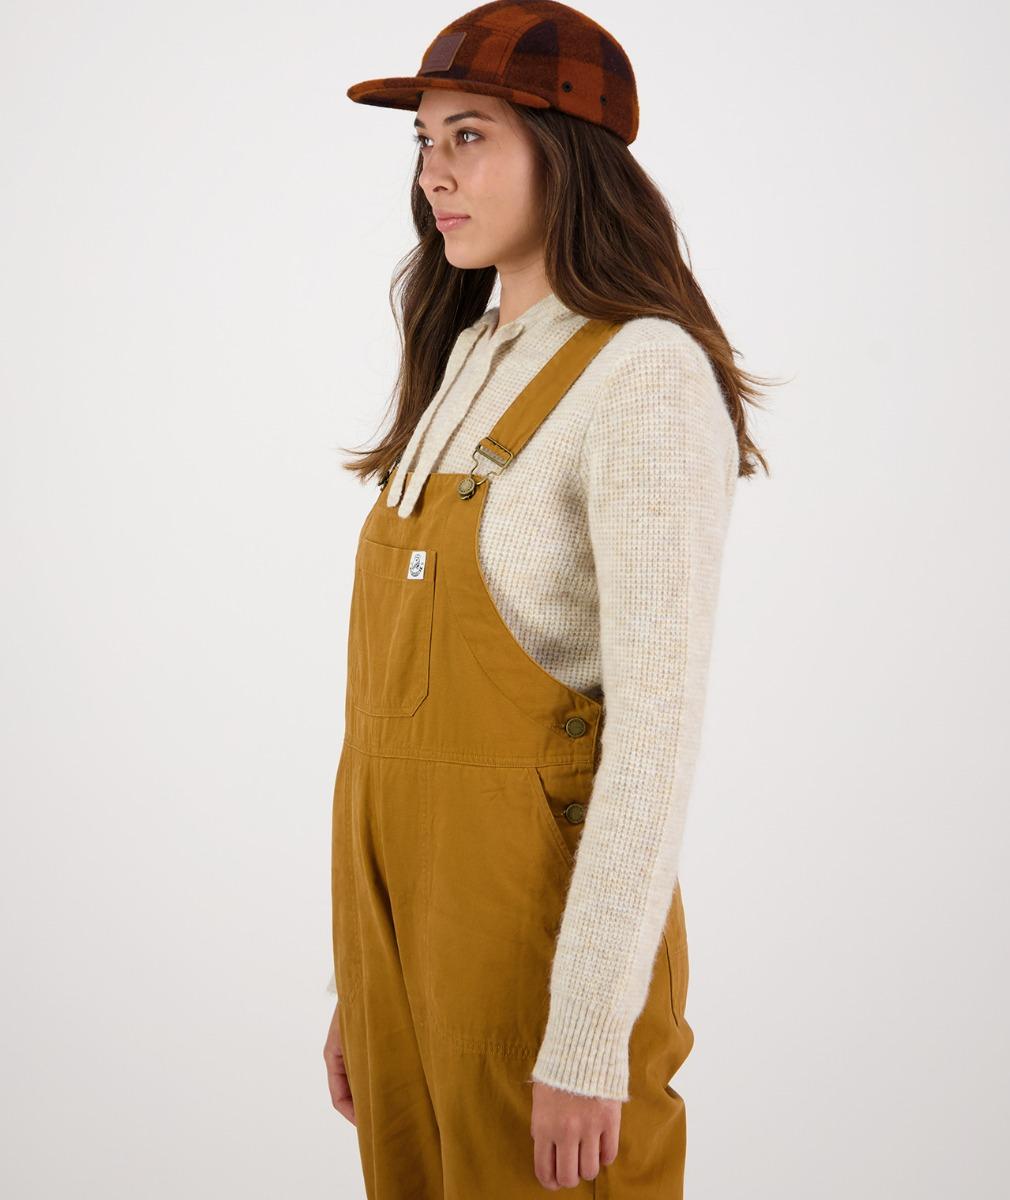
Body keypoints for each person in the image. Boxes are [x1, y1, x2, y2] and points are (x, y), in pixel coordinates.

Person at [323, 3, 771, 1195]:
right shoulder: (468, 355)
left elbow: (654, 736)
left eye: (468, 136)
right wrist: (360, 978)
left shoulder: (643, 373)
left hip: (536, 946)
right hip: (403, 933)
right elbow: (395, 736)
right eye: (423, 142)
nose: (433, 175)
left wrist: (585, 1039)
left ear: (566, 154)